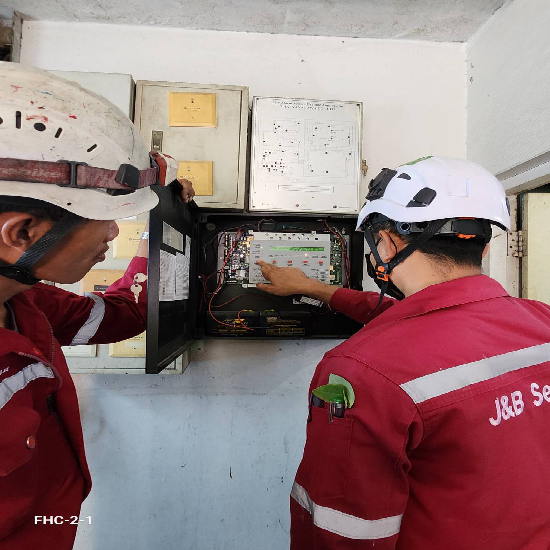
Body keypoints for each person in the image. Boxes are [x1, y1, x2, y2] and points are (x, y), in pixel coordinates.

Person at [257, 156, 550, 550]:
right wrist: (314, 288)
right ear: (481, 246)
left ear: (389, 242)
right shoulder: (541, 319)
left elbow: (340, 531)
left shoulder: (358, 372)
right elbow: (423, 320)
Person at [0, 62, 194, 549]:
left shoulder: (27, 303)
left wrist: (161, 228)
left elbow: (124, 314)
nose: (112, 232)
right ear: (21, 233)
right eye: (104, 218)